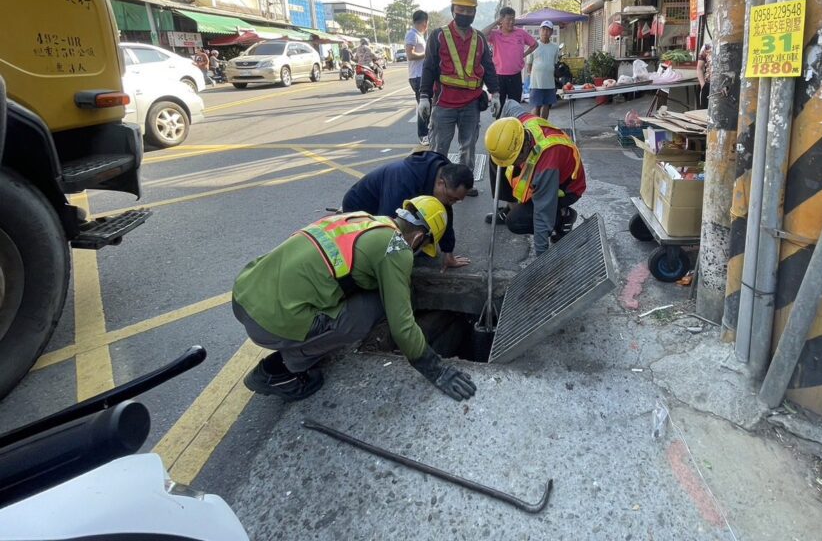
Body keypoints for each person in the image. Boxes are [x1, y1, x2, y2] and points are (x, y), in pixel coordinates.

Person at [232, 196, 476, 402]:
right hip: (269, 323)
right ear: (418, 238)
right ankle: (281, 369)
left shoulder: (364, 220)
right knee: (371, 310)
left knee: (361, 292)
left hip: (245, 293)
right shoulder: (397, 247)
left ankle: (305, 340)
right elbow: (401, 326)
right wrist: (435, 369)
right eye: (425, 246)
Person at [418, 0, 499, 196]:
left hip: (471, 104)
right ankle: (435, 185)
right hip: (444, 103)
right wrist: (424, 97)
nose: (465, 14)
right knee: (439, 149)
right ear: (453, 9)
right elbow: (428, 67)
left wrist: (496, 93)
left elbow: (488, 68)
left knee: (468, 148)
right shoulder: (438, 36)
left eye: (469, 10)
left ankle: (464, 185)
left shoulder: (479, 38)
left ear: (474, 12)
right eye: (461, 9)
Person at [484, 100, 586, 256]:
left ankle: (564, 216)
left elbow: (542, 214)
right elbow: (510, 104)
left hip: (565, 189)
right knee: (496, 159)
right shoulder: (518, 126)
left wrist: (541, 259)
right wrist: (499, 109)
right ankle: (510, 206)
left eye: (515, 159)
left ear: (524, 147)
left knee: (515, 221)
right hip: (546, 173)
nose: (512, 164)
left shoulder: (547, 162)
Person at [341, 151, 474, 271]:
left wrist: (448, 252)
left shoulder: (444, 174)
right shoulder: (403, 181)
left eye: (457, 200)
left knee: (418, 245)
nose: (452, 203)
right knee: (387, 254)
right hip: (360, 210)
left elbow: (445, 212)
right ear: (440, 183)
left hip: (385, 204)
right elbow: (388, 225)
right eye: (451, 198)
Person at [487, 7, 537, 110]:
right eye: (508, 19)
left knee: (515, 107)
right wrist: (496, 21)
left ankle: (514, 126)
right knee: (498, 108)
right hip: (499, 77)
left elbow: (535, 44)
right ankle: (499, 126)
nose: (511, 22)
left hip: (515, 76)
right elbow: (481, 34)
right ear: (502, 20)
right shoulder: (495, 34)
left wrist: (523, 54)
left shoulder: (521, 33)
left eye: (513, 19)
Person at [405, 10, 430, 145]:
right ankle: (423, 134)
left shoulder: (419, 35)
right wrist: (426, 55)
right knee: (423, 105)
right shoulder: (412, 35)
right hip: (417, 76)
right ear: (425, 22)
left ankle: (427, 131)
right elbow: (410, 55)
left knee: (427, 104)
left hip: (422, 75)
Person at [526, 20, 559, 119]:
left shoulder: (555, 47)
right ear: (540, 31)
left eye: (548, 30)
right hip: (536, 83)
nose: (545, 32)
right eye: (543, 29)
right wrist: (535, 76)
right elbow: (529, 65)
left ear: (551, 32)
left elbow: (554, 63)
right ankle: (534, 127)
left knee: (547, 105)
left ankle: (544, 127)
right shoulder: (533, 45)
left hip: (549, 83)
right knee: (537, 106)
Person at [696, 41, 712, 109]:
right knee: (704, 111)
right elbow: (699, 68)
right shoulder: (707, 46)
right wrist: (703, 85)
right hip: (708, 85)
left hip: (724, 87)